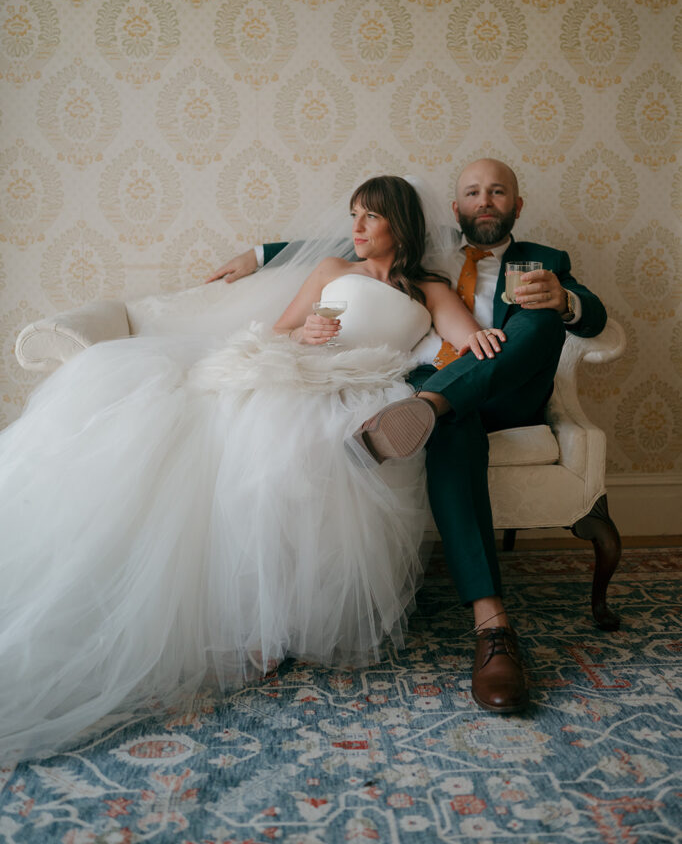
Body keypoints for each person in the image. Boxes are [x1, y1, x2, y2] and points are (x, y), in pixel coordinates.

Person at [0, 176, 501, 762]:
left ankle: (291, 621)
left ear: (400, 224)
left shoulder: (431, 288)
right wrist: (309, 330)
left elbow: (469, 341)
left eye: (370, 217)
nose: (357, 228)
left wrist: (490, 335)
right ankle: (259, 625)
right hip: (305, 373)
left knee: (325, 455)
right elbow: (281, 331)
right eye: (353, 215)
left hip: (369, 394)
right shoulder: (333, 268)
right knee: (264, 453)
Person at [207, 158, 608, 714]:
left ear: (517, 205)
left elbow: (590, 320)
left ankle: (430, 404)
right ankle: (493, 627)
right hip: (444, 401)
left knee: (539, 317)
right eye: (472, 192)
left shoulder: (542, 263)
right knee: (443, 423)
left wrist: (560, 302)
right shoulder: (383, 257)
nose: (484, 201)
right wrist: (258, 257)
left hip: (502, 386)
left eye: (497, 193)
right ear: (453, 210)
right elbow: (325, 250)